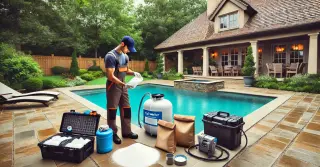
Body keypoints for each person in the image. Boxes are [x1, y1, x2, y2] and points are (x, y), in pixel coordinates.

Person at [104, 36, 141, 144]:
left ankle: (127, 131)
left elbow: (125, 69)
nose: (129, 51)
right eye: (128, 48)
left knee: (126, 108)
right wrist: (120, 83)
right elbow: (110, 76)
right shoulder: (110, 56)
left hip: (123, 85)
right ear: (122, 44)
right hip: (113, 86)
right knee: (112, 110)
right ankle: (113, 133)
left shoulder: (125, 56)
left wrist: (134, 73)